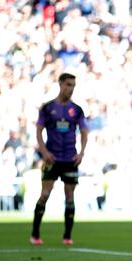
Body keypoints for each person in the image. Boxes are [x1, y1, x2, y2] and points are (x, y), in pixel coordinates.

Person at [30, 73, 88, 246]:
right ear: (60, 84)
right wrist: (44, 152)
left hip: (70, 158)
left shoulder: (77, 110)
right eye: (68, 85)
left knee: (70, 197)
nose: (70, 89)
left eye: (73, 86)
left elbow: (84, 132)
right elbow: (39, 131)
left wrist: (82, 152)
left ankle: (67, 237)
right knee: (45, 195)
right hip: (52, 159)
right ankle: (35, 234)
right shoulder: (47, 108)